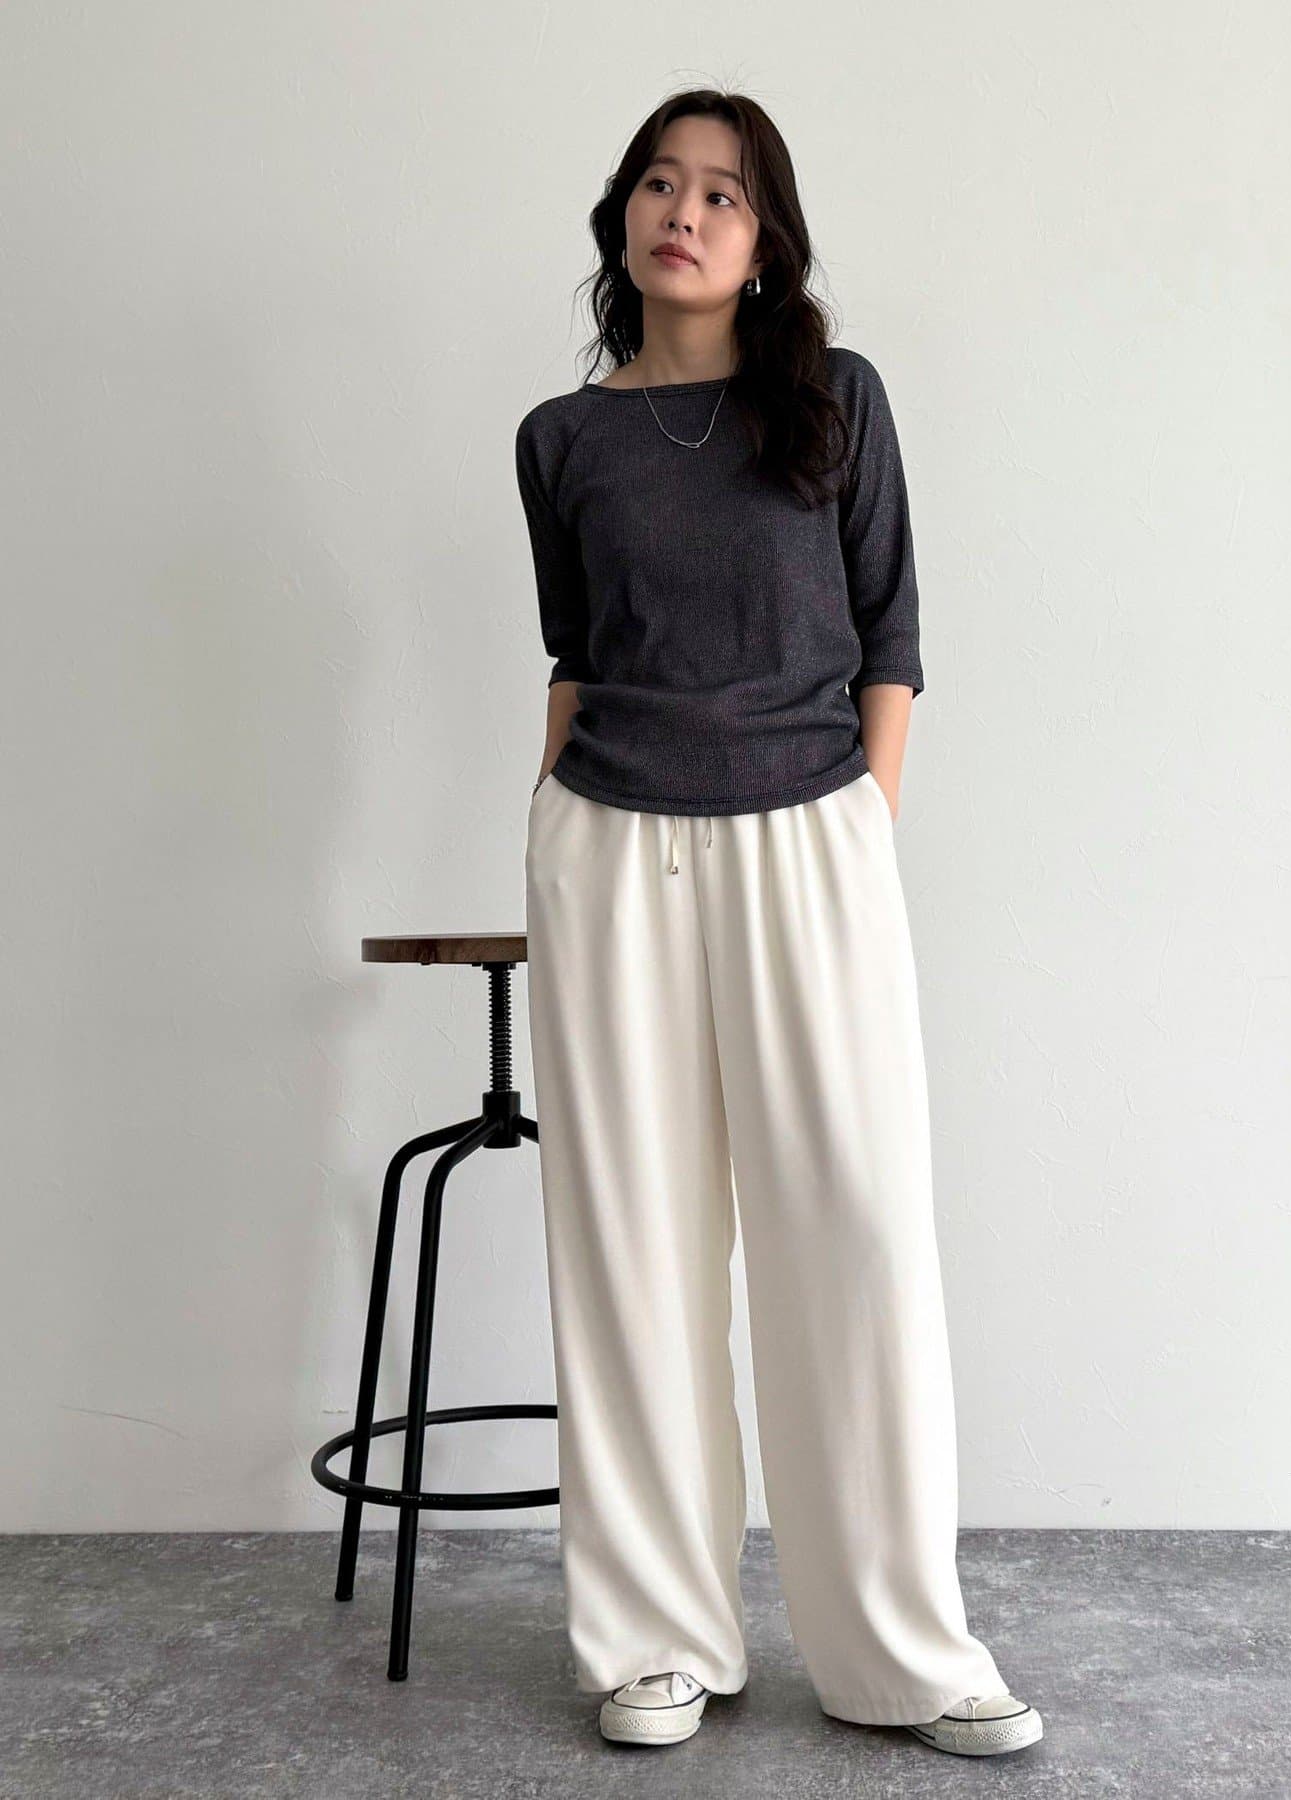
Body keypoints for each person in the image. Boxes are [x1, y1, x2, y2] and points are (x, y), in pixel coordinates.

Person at [515, 88, 1044, 1762]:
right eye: (660, 184)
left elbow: (892, 640)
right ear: (623, 215)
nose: (685, 213)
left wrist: (860, 832)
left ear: (766, 241)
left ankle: (903, 1652)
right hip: (612, 847)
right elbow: (577, 655)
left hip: (810, 834)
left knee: (857, 1235)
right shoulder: (560, 440)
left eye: (724, 194)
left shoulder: (835, 400)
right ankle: (655, 1639)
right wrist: (546, 831)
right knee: (634, 1248)